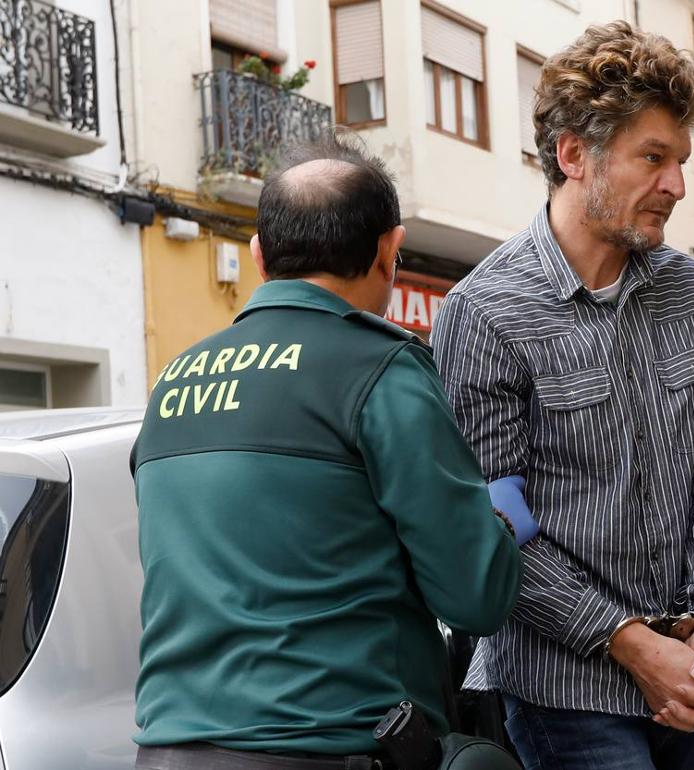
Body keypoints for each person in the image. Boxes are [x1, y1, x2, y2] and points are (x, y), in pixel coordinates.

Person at [131, 133, 522, 769]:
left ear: (258, 257)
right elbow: (475, 597)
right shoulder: (381, 370)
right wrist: (499, 522)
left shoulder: (173, 382)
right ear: (390, 251)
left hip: (169, 751)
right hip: (334, 749)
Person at [430, 20, 694, 770]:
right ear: (574, 154)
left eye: (680, 161)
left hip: (693, 677)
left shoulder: (691, 294)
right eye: (652, 158)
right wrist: (633, 646)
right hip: (563, 691)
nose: (674, 184)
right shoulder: (485, 312)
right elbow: (496, 528)